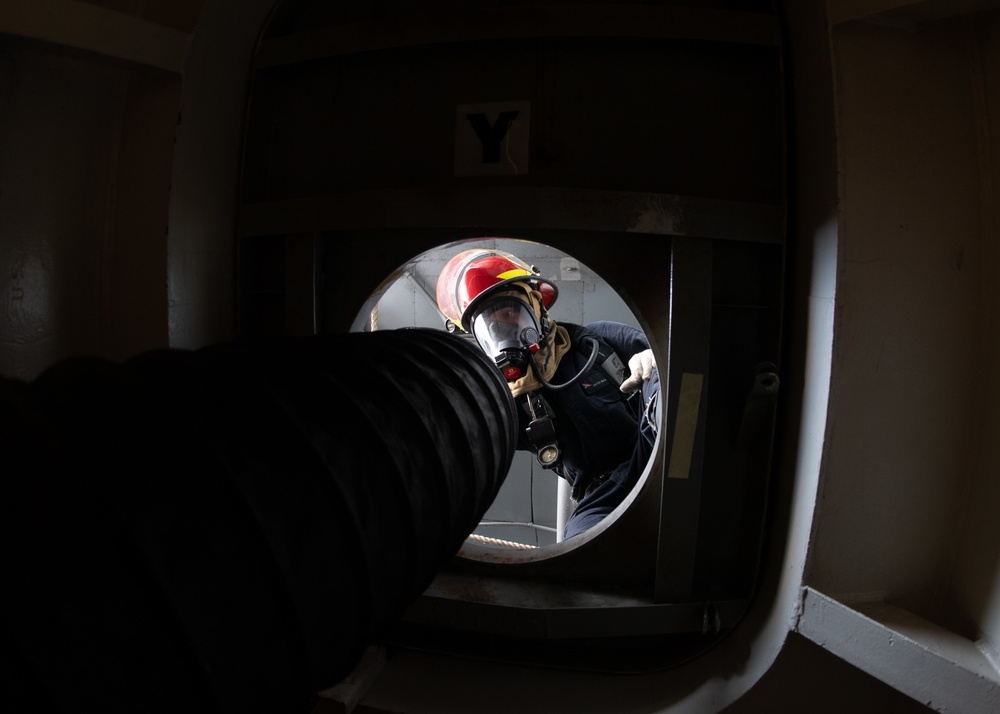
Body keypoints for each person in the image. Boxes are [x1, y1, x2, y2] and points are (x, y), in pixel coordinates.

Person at [435, 248, 660, 540]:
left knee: (662, 379)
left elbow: (669, 359)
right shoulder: (509, 405)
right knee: (578, 541)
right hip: (603, 494)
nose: (505, 327)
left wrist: (651, 362)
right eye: (491, 324)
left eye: (510, 311)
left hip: (648, 448)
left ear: (537, 306)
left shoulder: (596, 342)